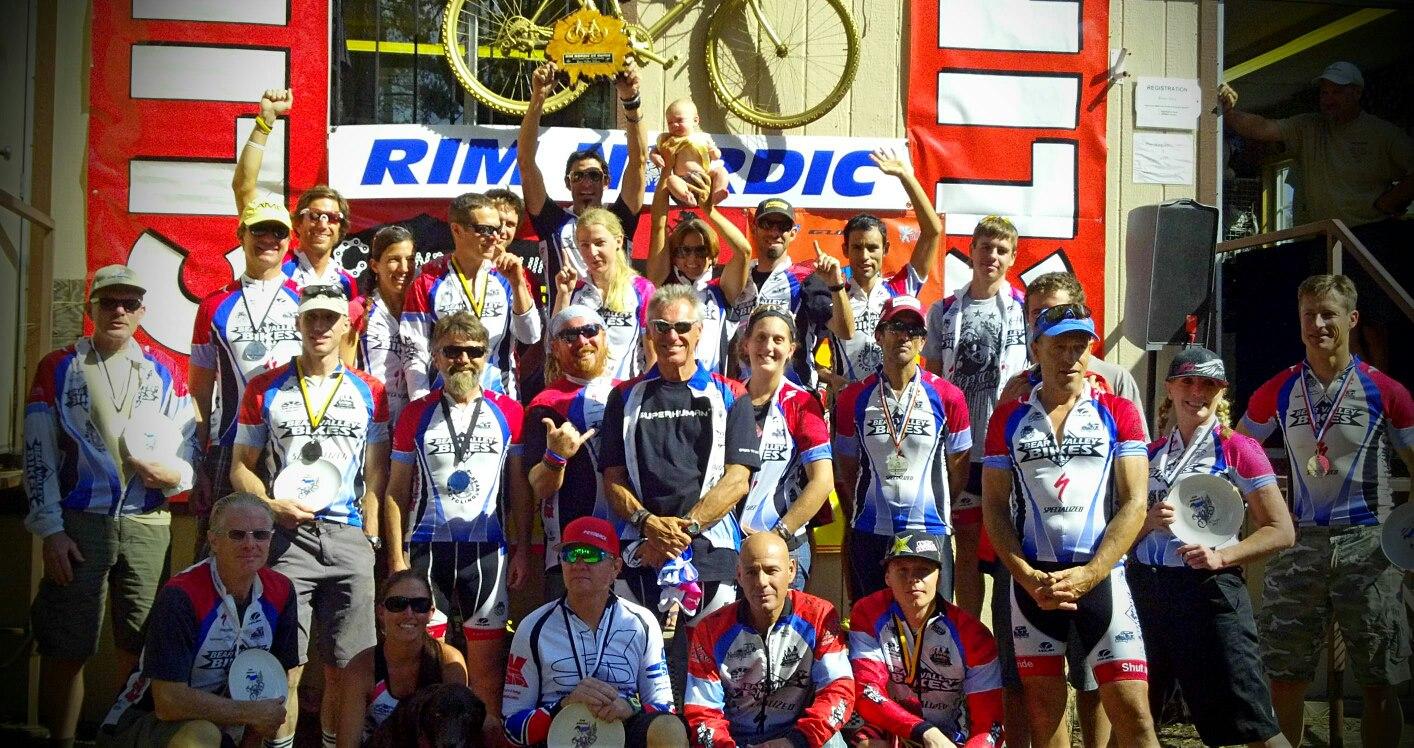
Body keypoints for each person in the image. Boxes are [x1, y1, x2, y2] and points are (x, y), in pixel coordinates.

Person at [1238, 274, 1413, 748]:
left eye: (1328, 314)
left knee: (1378, 682)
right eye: (1308, 315)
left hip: (1369, 545)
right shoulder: (1277, 389)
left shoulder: (1386, 390)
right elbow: (1237, 453)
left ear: (1351, 320)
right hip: (1299, 543)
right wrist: (1265, 510)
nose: (1317, 324)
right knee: (1284, 678)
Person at [26, 265, 195, 748]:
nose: (118, 310)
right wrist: (51, 531)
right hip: (80, 523)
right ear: (91, 308)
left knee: (140, 649)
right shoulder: (58, 367)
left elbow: (189, 453)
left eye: (128, 302)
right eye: (108, 302)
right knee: (67, 647)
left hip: (147, 521)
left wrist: (176, 477)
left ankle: (121, 740)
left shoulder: (164, 371)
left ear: (142, 310)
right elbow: (38, 452)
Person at [980, 303, 1159, 748]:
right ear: (1036, 348)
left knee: (1134, 715)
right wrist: (1024, 575)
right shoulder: (1008, 417)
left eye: (1080, 346)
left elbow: (1135, 503)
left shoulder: (1118, 410)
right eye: (1059, 346)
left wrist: (1091, 574)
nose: (1070, 358)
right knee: (1044, 714)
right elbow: (995, 508)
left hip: (1101, 578)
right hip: (1033, 582)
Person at [230, 284, 391, 746]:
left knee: (348, 667)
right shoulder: (264, 386)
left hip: (348, 536)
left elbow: (377, 474)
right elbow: (242, 465)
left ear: (346, 325)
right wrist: (269, 507)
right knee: (285, 665)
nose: (319, 327)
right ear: (298, 324)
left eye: (329, 319)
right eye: (311, 319)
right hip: (285, 537)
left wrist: (372, 541)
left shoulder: (370, 391)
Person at [1131, 347, 1293, 748]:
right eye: (1187, 381)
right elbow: (1119, 531)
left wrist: (1222, 556)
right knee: (1136, 719)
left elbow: (1281, 530)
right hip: (1147, 593)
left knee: (1252, 722)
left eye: (1209, 384)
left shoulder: (1238, 448)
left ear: (1222, 392)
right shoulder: (1148, 455)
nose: (1197, 392)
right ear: (1169, 388)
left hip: (1208, 592)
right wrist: (1145, 523)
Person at [599, 284, 760, 684]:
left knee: (708, 676)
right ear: (648, 332)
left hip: (709, 550)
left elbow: (737, 479)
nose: (672, 336)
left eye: (682, 326)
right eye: (661, 326)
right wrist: (648, 524)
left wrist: (683, 530)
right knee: (638, 673)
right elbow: (613, 479)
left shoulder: (729, 393)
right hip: (641, 548)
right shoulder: (623, 397)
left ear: (700, 330)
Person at [385, 312, 532, 736]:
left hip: (487, 555)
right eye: (452, 351)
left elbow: (519, 488)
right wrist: (395, 557)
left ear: (486, 357)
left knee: (485, 675)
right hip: (426, 552)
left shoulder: (509, 412)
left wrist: (522, 547)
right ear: (435, 356)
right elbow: (396, 492)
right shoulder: (415, 414)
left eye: (473, 352)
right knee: (424, 669)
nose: (463, 361)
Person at [97, 493, 297, 748]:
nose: (250, 544)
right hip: (141, 723)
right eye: (237, 535)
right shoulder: (182, 595)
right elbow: (168, 702)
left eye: (260, 535)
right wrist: (248, 713)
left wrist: (253, 721)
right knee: (202, 735)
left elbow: (274, 687)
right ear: (213, 540)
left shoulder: (281, 591)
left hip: (223, 726)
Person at [921, 216, 1027, 618]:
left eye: (1002, 250)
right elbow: (929, 377)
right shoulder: (944, 310)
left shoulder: (1023, 310)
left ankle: (1007, 645)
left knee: (1009, 550)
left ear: (1013, 257)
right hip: (960, 450)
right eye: (986, 247)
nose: (992, 257)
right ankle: (968, 638)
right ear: (971, 251)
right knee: (964, 549)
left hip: (1006, 448)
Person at [503, 517, 686, 747]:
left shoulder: (642, 622)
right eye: (570, 554)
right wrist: (564, 706)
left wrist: (631, 707)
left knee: (670, 728)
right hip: (557, 735)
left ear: (616, 567)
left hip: (621, 730)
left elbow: (664, 708)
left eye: (590, 554)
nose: (579, 563)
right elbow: (511, 728)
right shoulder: (532, 626)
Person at [834, 296, 971, 601]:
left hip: (929, 527)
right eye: (896, 326)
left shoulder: (949, 396)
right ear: (879, 335)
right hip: (871, 530)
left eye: (913, 329)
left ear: (923, 341)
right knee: (870, 628)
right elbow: (847, 467)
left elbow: (959, 467)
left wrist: (935, 502)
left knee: (933, 630)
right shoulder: (852, 398)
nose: (905, 335)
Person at [189, 201, 304, 555]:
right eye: (259, 230)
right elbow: (199, 395)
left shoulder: (307, 300)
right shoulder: (213, 305)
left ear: (289, 241)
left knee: (287, 558)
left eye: (279, 232)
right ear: (241, 235)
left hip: (293, 446)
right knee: (221, 557)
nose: (269, 239)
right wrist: (198, 464)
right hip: (229, 447)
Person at [685, 532, 855, 747]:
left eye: (771, 570)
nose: (761, 582)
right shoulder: (710, 629)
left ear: (792, 570)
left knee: (831, 743)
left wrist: (796, 741)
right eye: (751, 572)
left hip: (798, 734)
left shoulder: (820, 615)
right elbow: (702, 710)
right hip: (732, 738)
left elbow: (838, 688)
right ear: (738, 574)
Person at [848, 531, 1004, 748]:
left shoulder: (973, 635)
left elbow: (990, 722)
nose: (913, 579)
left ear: (939, 577)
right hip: (894, 727)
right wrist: (925, 732)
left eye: (924, 570)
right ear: (887, 577)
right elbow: (867, 691)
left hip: (952, 737)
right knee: (866, 744)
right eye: (902, 570)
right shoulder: (868, 613)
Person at [1218, 62, 1413, 229]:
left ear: (1357, 93)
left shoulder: (1382, 133)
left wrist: (1389, 202)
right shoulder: (1308, 125)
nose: (1328, 99)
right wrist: (1228, 112)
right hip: (1322, 235)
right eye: (1324, 93)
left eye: (1336, 92)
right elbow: (1262, 128)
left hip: (1371, 234)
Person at [519, 61, 648, 311]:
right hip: (566, 338)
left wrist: (631, 99)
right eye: (578, 177)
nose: (586, 183)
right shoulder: (552, 221)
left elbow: (639, 162)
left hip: (617, 335)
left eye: (594, 176)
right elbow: (525, 162)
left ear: (606, 182)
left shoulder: (620, 217)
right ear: (568, 183)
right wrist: (539, 97)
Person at [401, 193, 540, 401]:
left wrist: (518, 284)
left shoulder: (510, 276)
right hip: (443, 401)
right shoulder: (427, 280)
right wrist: (420, 403)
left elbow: (530, 336)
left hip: (500, 398)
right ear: (457, 230)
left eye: (496, 229)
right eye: (483, 230)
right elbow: (414, 350)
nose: (495, 237)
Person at [522, 306, 617, 599]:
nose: (581, 341)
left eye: (590, 331)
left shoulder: (629, 393)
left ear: (604, 337)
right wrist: (556, 456)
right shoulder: (546, 404)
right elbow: (538, 485)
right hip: (571, 555)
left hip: (627, 551)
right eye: (569, 335)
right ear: (555, 347)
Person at [737, 307, 834, 589]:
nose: (768, 347)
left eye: (778, 340)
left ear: (791, 349)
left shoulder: (801, 402)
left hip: (783, 545)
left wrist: (779, 534)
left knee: (782, 632)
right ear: (747, 344)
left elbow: (822, 480)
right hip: (731, 544)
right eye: (761, 338)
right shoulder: (727, 397)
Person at [828, 148, 941, 386]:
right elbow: (806, 354)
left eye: (872, 248)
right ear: (845, 250)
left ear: (886, 249)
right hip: (851, 407)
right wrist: (831, 378)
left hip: (898, 401)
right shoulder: (835, 294)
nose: (865, 256)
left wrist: (905, 177)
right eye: (857, 248)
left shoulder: (901, 287)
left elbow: (932, 231)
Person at [235, 88, 360, 299]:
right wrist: (264, 123)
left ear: (341, 229)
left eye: (331, 218)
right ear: (297, 223)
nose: (322, 224)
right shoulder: (275, 261)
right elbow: (243, 187)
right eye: (313, 215)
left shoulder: (347, 282)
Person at [335, 570, 470, 748]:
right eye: (397, 604)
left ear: (431, 613)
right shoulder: (361, 669)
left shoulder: (449, 662)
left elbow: (460, 734)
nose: (409, 613)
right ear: (381, 612)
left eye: (420, 605)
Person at [729, 198, 845, 387]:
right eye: (767, 224)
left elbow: (844, 331)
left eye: (782, 226)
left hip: (795, 393)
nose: (774, 232)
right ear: (755, 228)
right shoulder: (739, 277)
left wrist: (836, 285)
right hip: (742, 393)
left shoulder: (806, 279)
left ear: (793, 233)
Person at [645, 173, 746, 377]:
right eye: (684, 251)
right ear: (674, 255)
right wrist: (667, 168)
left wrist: (709, 210)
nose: (692, 259)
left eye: (701, 251)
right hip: (667, 386)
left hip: (713, 390)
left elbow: (744, 251)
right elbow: (658, 225)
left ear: (713, 256)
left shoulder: (721, 290)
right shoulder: (662, 285)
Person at [552, 208, 656, 380]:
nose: (592, 252)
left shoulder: (642, 289)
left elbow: (653, 357)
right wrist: (563, 295)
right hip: (582, 395)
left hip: (624, 395)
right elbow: (554, 346)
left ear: (618, 241)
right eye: (584, 245)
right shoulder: (575, 289)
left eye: (599, 243)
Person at [357, 225, 417, 423]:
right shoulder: (358, 309)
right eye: (394, 260)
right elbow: (345, 375)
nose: (404, 268)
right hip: (372, 424)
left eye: (410, 259)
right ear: (374, 265)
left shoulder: (421, 311)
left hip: (410, 426)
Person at [652, 98, 729, 206]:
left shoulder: (703, 138)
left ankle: (717, 193)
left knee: (721, 171)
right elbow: (655, 149)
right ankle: (686, 197)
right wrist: (655, 156)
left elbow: (717, 156)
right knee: (671, 180)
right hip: (683, 181)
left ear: (695, 120)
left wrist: (713, 152)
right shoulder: (669, 140)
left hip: (704, 178)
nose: (674, 125)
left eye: (679, 120)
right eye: (670, 123)